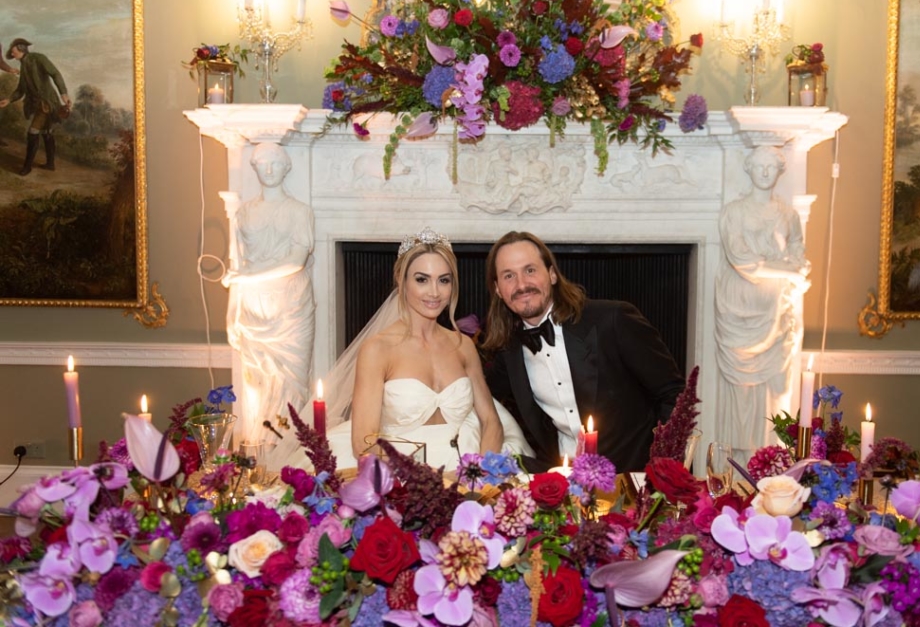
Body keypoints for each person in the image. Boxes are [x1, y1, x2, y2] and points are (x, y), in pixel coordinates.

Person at [265, 228, 534, 472]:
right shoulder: (377, 349)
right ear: (402, 281)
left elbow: (491, 421)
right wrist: (420, 484)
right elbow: (364, 441)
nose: (434, 292)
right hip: (402, 471)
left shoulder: (463, 345)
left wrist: (478, 473)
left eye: (444, 280)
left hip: (467, 463)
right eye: (421, 279)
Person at [482, 231, 685, 473]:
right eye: (509, 276)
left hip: (631, 479)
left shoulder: (613, 320)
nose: (522, 284)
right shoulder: (508, 353)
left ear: (553, 274)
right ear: (497, 289)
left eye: (530, 270)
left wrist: (660, 466)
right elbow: (476, 396)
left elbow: (674, 394)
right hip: (562, 483)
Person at [714, 145, 810, 465]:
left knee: (775, 388)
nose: (766, 173)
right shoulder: (734, 212)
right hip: (739, 304)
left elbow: (796, 246)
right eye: (760, 167)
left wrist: (797, 265)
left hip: (775, 307)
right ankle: (739, 462)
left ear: (780, 171)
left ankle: (771, 460)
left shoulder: (788, 214)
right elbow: (743, 260)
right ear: (750, 169)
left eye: (772, 167)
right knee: (740, 389)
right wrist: (788, 269)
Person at [223, 142, 315, 445]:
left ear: (287, 167)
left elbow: (295, 261)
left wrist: (247, 276)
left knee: (292, 382)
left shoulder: (300, 212)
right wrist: (231, 314)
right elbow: (237, 265)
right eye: (262, 163)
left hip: (290, 305)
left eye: (275, 163)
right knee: (257, 383)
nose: (270, 169)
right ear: (255, 168)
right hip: (253, 305)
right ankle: (259, 452)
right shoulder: (244, 213)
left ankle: (288, 451)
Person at [0, 38, 71, 175]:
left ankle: (27, 167)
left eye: (13, 51)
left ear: (21, 49)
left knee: (32, 132)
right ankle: (50, 164)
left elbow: (55, 74)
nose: (12, 54)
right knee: (47, 132)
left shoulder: (38, 58)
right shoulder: (23, 65)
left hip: (47, 103)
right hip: (38, 104)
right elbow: (21, 89)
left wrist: (64, 94)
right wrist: (9, 100)